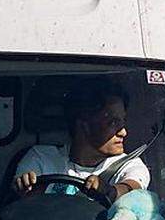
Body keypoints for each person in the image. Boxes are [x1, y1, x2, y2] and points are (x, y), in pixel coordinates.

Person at [13, 81, 149, 202]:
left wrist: (109, 191)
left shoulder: (129, 165)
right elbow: (26, 203)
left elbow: (132, 191)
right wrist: (26, 185)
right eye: (113, 122)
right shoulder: (41, 158)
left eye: (123, 121)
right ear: (84, 124)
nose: (123, 132)